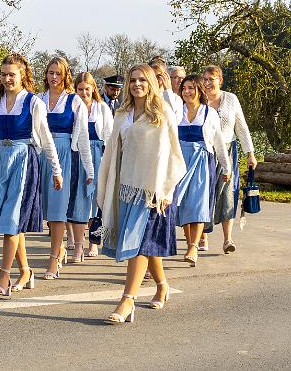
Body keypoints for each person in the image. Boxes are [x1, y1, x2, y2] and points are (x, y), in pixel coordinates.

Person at [0, 53, 62, 297]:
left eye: (12, 74)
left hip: (23, 161)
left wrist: (56, 170)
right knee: (12, 222)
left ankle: (4, 276)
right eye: (3, 74)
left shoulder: (33, 103)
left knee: (11, 221)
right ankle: (26, 271)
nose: (7, 79)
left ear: (23, 76)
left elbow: (47, 139)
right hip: (1, 162)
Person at [97, 64, 186, 323]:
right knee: (144, 245)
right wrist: (105, 187)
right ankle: (162, 285)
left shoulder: (162, 113)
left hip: (152, 191)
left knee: (138, 245)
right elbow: (113, 152)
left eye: (142, 80)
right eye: (133, 80)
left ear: (151, 83)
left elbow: (173, 155)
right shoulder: (122, 113)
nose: (137, 84)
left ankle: (127, 301)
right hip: (126, 188)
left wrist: (166, 189)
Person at [38, 57, 93, 278]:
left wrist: (90, 169)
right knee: (47, 210)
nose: (54, 77)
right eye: (51, 72)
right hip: (41, 153)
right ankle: (59, 248)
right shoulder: (38, 99)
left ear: (65, 75)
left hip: (63, 155)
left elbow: (84, 139)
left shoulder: (75, 102)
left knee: (59, 209)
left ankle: (53, 259)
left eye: (58, 73)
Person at [200, 65, 257, 254]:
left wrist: (250, 153)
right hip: (205, 151)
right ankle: (202, 236)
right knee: (204, 193)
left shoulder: (231, 99)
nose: (207, 83)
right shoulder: (199, 98)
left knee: (228, 194)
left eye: (211, 79)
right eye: (205, 79)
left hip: (229, 150)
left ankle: (227, 239)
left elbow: (241, 127)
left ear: (220, 80)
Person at [176, 75, 230, 266]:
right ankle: (190, 242)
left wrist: (226, 167)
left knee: (198, 204)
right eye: (184, 88)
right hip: (180, 162)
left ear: (199, 90)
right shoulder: (176, 111)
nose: (187, 92)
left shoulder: (209, 113)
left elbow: (219, 143)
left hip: (201, 162)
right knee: (182, 205)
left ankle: (193, 247)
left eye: (191, 88)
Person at [71, 72, 113, 259]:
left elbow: (110, 136)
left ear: (93, 89)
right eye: (80, 89)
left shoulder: (102, 108)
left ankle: (94, 242)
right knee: (79, 200)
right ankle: (78, 245)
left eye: (87, 89)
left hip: (98, 155)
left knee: (99, 201)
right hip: (78, 154)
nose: (84, 93)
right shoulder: (71, 106)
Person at [150, 57, 183, 123]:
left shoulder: (176, 99)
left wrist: (168, 91)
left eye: (159, 76)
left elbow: (175, 120)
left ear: (166, 77)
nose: (154, 79)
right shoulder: (143, 97)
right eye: (151, 76)